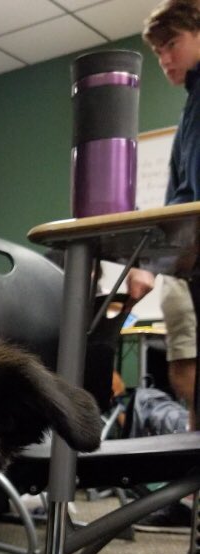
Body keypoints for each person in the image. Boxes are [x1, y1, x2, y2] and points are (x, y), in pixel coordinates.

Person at [141, 0, 200, 430]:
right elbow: (182, 194)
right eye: (158, 51)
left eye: (172, 44)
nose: (164, 58)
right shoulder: (191, 106)